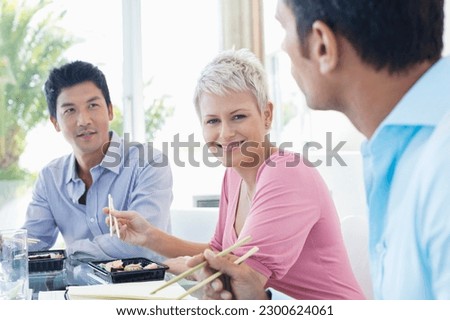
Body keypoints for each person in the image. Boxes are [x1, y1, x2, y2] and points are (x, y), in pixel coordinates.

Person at [194, 0, 450, 300]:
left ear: (322, 45)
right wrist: (263, 304)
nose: (284, 49)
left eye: (283, 27)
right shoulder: (400, 153)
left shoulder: (439, 165)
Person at [106, 49, 365, 299]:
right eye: (212, 121)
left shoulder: (286, 173)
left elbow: (240, 279)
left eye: (238, 116)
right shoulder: (234, 175)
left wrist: (176, 267)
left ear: (267, 115)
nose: (226, 134)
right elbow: (219, 253)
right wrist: (150, 237)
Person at [23, 61, 173, 261]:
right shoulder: (50, 177)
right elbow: (31, 243)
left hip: (144, 288)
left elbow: (141, 245)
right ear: (55, 122)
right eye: (70, 110)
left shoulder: (149, 162)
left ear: (110, 111)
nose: (84, 120)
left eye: (93, 105)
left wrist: (68, 254)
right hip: (75, 291)